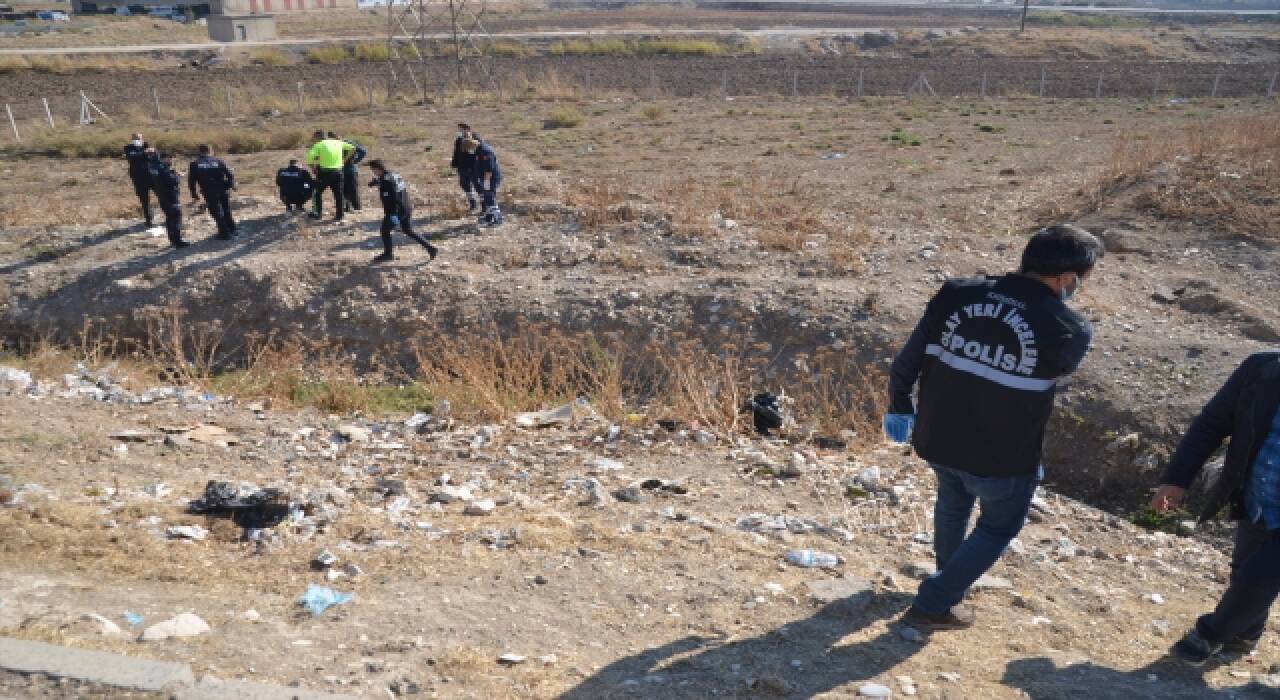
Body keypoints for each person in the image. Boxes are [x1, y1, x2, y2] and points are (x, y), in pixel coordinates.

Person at [885, 224, 1103, 630]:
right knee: (999, 524)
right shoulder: (1070, 329)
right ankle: (935, 601)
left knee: (952, 503)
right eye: (1082, 279)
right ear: (1066, 278)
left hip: (938, 436)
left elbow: (909, 358)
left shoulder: (957, 293)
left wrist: (900, 403)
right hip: (1002, 453)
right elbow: (1058, 367)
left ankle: (948, 582)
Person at [1150, 352, 1280, 666]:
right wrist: (1177, 479)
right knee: (1245, 572)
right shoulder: (1260, 371)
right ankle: (1243, 635)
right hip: (1258, 498)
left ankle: (1209, 634)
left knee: (1256, 577)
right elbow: (1212, 424)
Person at [366, 159, 437, 264]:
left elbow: (392, 198)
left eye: (373, 170)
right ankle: (430, 248)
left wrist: (392, 216)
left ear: (377, 169)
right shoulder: (394, 174)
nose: (373, 172)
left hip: (396, 210)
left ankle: (388, 254)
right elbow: (391, 185)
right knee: (408, 230)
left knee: (385, 231)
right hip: (406, 206)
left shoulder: (386, 181)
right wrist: (377, 182)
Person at [188, 144, 237, 240]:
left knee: (216, 212)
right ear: (210, 150)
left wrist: (194, 193)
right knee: (226, 209)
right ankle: (232, 228)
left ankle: (224, 233)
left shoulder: (195, 164)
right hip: (222, 189)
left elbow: (191, 181)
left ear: (199, 151)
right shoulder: (218, 161)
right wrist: (231, 185)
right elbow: (230, 174)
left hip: (209, 191)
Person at [305, 130, 354, 222]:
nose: (314, 140)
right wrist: (344, 160)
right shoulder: (338, 142)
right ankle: (340, 215)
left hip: (325, 173)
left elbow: (309, 159)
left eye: (315, 138)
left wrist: (313, 168)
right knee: (338, 194)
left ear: (318, 137)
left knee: (316, 192)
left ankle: (317, 213)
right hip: (338, 172)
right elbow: (352, 148)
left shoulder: (318, 145)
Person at [147, 151, 189, 249]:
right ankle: (178, 242)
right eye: (170, 158)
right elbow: (172, 181)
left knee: (170, 219)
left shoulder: (153, 167)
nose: (171, 160)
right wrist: (179, 176)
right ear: (163, 158)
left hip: (162, 196)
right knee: (176, 218)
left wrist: (173, 173)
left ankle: (172, 240)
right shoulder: (163, 169)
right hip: (171, 196)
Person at [464, 137, 502, 226]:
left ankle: (498, 218)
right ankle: (489, 216)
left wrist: (486, 183)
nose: (469, 151)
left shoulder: (485, 151)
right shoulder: (479, 150)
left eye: (468, 149)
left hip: (490, 178)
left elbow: (488, 170)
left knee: (489, 197)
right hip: (485, 178)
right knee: (487, 197)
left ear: (471, 146)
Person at [327, 131, 367, 213]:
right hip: (340, 170)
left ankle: (357, 208)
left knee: (353, 189)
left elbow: (363, 151)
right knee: (343, 189)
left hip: (350, 169)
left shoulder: (347, 142)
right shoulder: (332, 145)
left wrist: (355, 161)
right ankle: (347, 207)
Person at [123, 132, 156, 227]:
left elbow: (153, 156)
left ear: (142, 138)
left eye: (139, 138)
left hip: (151, 176)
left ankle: (168, 215)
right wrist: (144, 153)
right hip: (139, 179)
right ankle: (149, 219)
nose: (137, 140)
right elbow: (132, 157)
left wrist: (150, 152)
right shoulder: (128, 148)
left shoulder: (146, 145)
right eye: (135, 139)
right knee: (144, 200)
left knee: (162, 195)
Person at [450, 123, 480, 212]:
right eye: (458, 129)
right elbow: (456, 153)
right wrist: (454, 164)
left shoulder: (475, 138)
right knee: (465, 185)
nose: (459, 131)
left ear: (467, 129)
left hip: (473, 167)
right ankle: (472, 203)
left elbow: (479, 151)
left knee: (478, 185)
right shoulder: (459, 140)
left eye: (460, 129)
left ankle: (484, 205)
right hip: (462, 167)